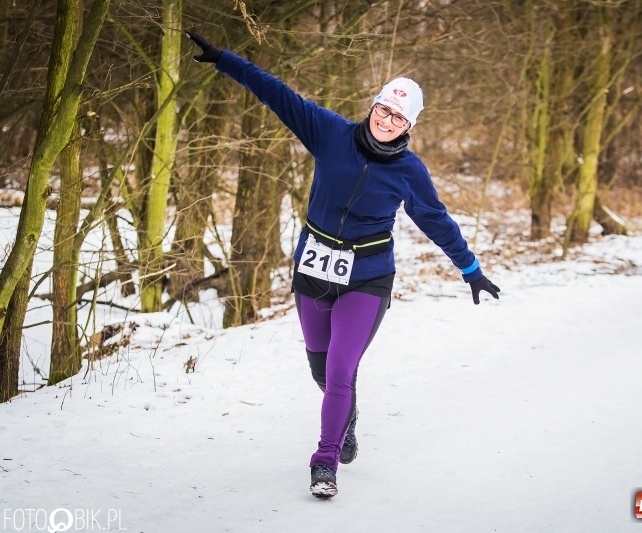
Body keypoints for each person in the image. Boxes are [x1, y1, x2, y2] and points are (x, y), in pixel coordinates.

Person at [187, 31, 500, 499]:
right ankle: (347, 416)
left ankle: (325, 461)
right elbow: (277, 94)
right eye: (383, 108)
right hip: (313, 270)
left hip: (368, 278)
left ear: (409, 124)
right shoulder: (329, 132)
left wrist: (470, 269)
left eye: (398, 115)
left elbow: (436, 220)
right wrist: (223, 60)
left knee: (339, 370)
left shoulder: (409, 172)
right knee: (320, 370)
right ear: (372, 106)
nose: (387, 119)